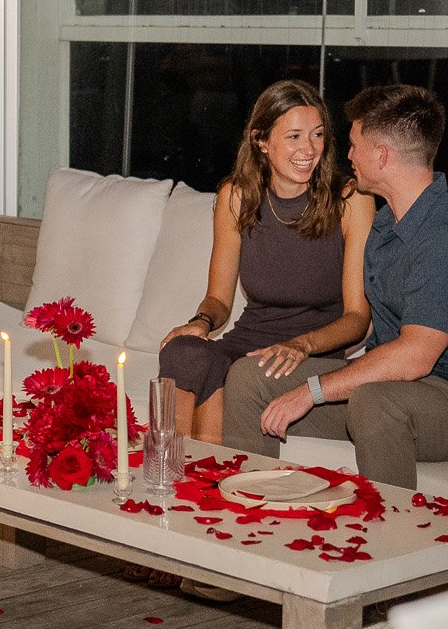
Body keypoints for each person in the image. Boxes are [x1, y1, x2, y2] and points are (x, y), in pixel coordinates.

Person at [221, 84, 448, 491]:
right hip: (388, 389)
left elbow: (414, 358)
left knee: (375, 400)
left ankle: (388, 537)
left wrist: (313, 390)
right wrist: (306, 351)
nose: (347, 155)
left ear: (381, 155)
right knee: (251, 377)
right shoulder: (385, 223)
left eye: (355, 144)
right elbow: (373, 323)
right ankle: (250, 510)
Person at [157, 80, 375, 445]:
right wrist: (201, 322)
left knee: (244, 373)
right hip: (250, 341)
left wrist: (302, 345)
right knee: (183, 352)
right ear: (261, 141)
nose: (309, 149)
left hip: (313, 353)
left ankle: (206, 470)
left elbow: (357, 318)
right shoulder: (236, 197)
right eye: (294, 137)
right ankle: (180, 467)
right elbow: (220, 300)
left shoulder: (349, 199)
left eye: (318, 135)